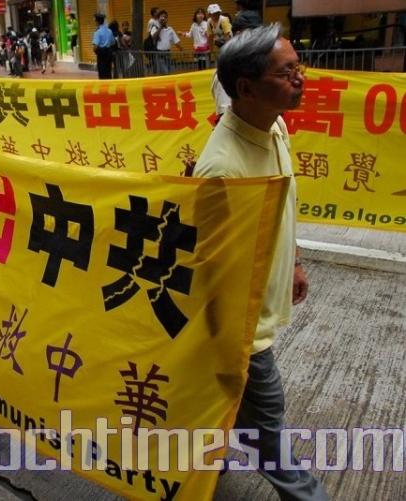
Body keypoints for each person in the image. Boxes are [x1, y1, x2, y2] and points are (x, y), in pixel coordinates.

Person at [193, 24, 329, 501]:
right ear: (246, 88)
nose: (300, 78)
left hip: (261, 309)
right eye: (286, 71)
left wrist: (293, 260)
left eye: (298, 66)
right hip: (242, 333)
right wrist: (237, 352)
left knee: (224, 408)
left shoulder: (275, 124)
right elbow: (210, 274)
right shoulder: (221, 170)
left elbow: (284, 203)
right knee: (268, 425)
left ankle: (201, 464)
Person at [150, 10, 182, 74]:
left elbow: (176, 41)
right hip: (159, 55)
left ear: (167, 19)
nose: (163, 18)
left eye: (165, 17)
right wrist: (161, 27)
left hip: (168, 54)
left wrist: (181, 49)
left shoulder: (170, 29)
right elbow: (153, 37)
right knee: (165, 72)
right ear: (158, 18)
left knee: (170, 72)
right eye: (161, 17)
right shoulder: (155, 27)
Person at [92, 13, 116, 79]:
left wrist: (98, 51)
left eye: (95, 21)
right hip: (109, 54)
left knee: (102, 74)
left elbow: (95, 47)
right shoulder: (109, 31)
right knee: (108, 72)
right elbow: (113, 42)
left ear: (97, 21)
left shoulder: (97, 32)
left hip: (101, 56)